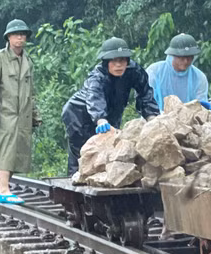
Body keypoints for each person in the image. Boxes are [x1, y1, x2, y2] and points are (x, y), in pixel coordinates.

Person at [61, 37, 160, 175]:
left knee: (110, 150)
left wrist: (152, 117)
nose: (119, 65)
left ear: (127, 60)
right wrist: (100, 119)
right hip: (79, 113)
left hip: (111, 111)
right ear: (106, 62)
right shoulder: (97, 77)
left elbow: (145, 93)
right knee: (83, 155)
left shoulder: (134, 71)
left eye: (122, 60)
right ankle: (74, 185)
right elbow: (94, 98)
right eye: (114, 61)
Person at [0, 19, 40, 204]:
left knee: (19, 152)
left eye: (22, 35)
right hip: (5, 114)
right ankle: (3, 189)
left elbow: (31, 91)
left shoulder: (27, 60)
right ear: (8, 37)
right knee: (6, 151)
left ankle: (4, 188)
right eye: (16, 34)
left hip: (23, 114)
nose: (19, 38)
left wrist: (35, 115)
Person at [146, 33, 209, 108]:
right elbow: (146, 101)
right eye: (181, 57)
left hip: (189, 118)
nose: (185, 61)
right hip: (156, 117)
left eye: (189, 58)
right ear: (173, 55)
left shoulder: (199, 77)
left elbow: (201, 106)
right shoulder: (154, 72)